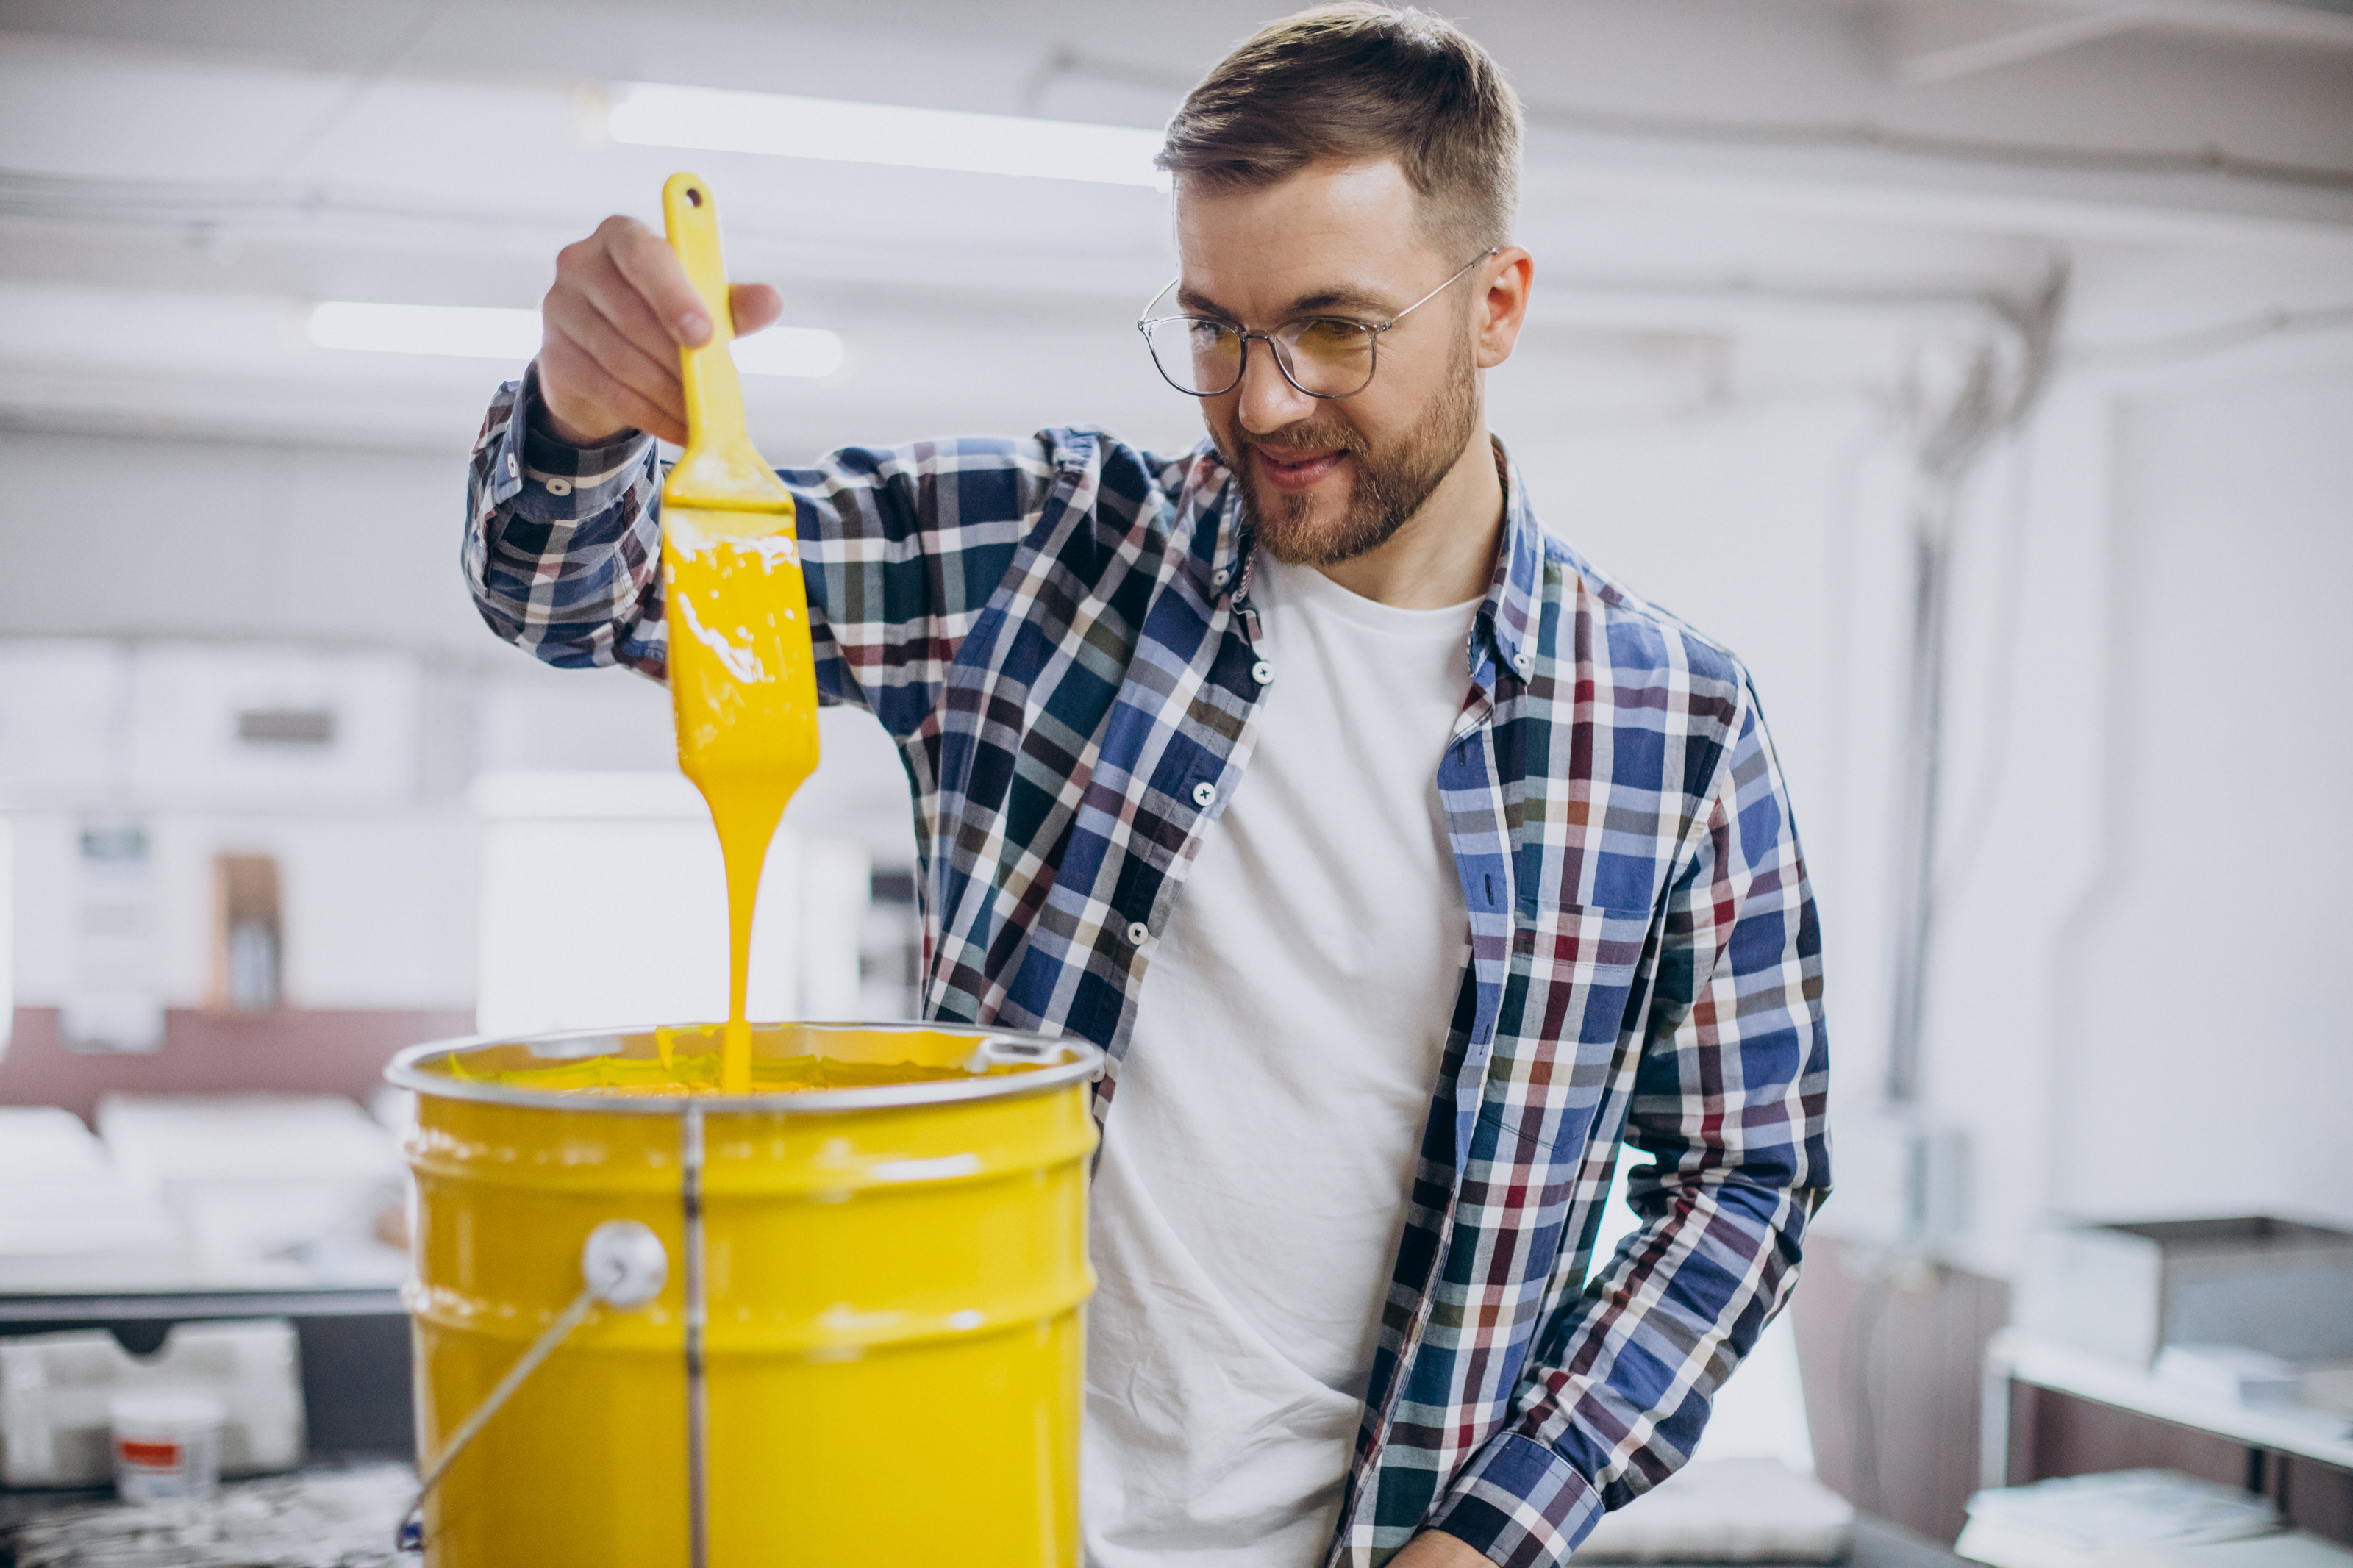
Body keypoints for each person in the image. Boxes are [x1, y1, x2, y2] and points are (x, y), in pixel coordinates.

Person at [463, 6, 1830, 1564]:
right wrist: (577, 419)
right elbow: (583, 595)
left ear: (1497, 302)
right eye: (1214, 327)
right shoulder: (1040, 552)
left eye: (1333, 328)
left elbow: (1745, 1172)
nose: (1258, 402)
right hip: (941, 1510)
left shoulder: (1667, 724)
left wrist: (1502, 1526)